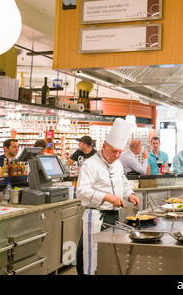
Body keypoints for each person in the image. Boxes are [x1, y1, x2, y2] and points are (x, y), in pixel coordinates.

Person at [76, 118, 140, 275]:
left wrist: (130, 194)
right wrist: (106, 197)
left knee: (108, 256)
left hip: (113, 216)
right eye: (113, 151)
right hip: (96, 217)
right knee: (90, 256)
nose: (117, 155)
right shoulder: (90, 165)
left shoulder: (117, 164)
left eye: (120, 152)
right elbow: (82, 191)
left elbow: (123, 183)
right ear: (104, 146)